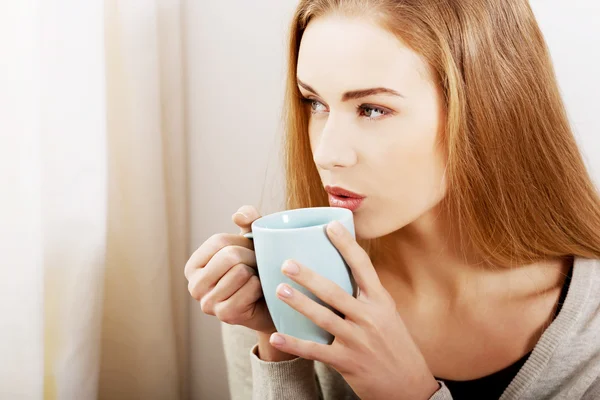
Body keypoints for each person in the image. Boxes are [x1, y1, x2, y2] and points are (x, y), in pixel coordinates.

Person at [184, 0, 600, 398]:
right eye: (315, 102)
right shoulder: (281, 288)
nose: (327, 153)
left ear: (491, 109)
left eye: (372, 109)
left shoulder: (589, 325)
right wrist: (281, 348)